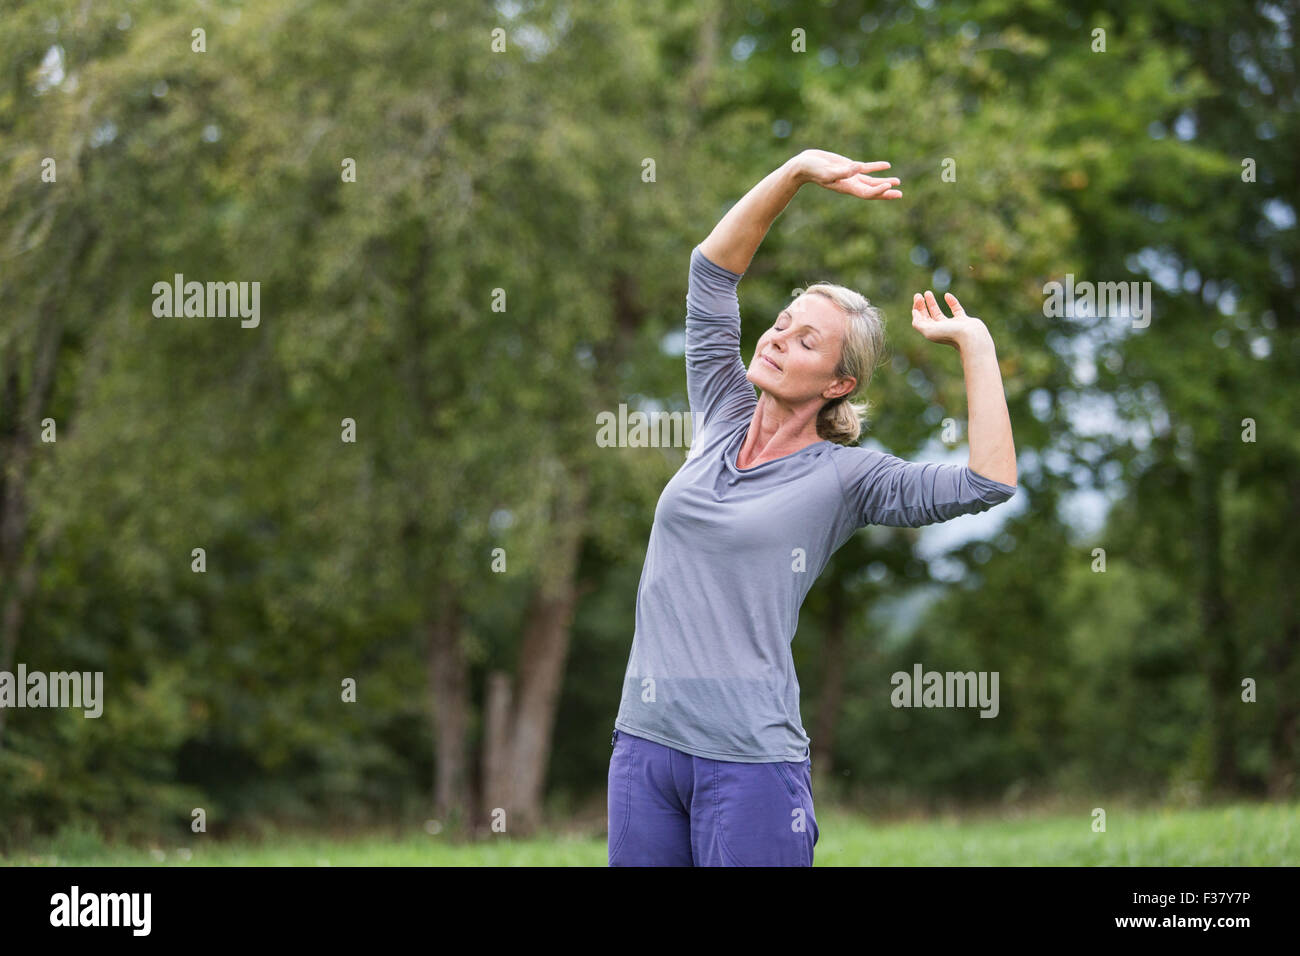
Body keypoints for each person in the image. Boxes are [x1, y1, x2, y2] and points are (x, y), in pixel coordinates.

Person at [607, 149, 1019, 866]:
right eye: (782, 321)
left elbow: (989, 481)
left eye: (806, 340)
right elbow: (712, 271)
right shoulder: (721, 410)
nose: (775, 338)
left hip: (749, 767)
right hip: (644, 748)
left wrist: (975, 348)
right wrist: (795, 172)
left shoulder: (846, 478)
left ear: (838, 383)